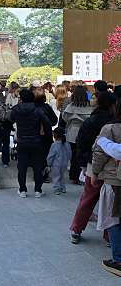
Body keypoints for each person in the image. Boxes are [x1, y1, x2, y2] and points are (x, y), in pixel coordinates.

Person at [69, 92, 117, 244]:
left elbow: (81, 144)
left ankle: (76, 229)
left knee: (87, 200)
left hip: (92, 166)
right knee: (111, 204)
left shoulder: (91, 121)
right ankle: (109, 236)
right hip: (112, 169)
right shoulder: (114, 123)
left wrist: (83, 164)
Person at [92, 101, 121, 277]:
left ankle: (118, 259)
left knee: (113, 219)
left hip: (114, 180)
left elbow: (99, 153)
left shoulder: (109, 129)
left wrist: (95, 173)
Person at [10, 88, 51, 198]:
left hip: (22, 141)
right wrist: (45, 134)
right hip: (36, 141)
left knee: (22, 166)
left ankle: (22, 189)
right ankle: (38, 190)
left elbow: (9, 119)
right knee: (37, 166)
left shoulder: (16, 109)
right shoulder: (37, 110)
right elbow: (47, 122)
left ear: (21, 99)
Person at [62, 85, 93, 184]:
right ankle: (85, 175)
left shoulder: (70, 106)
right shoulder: (90, 106)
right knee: (85, 154)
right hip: (86, 132)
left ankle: (74, 176)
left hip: (72, 132)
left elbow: (65, 118)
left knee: (74, 156)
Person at [34, 88, 58, 182]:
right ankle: (45, 175)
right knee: (46, 155)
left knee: (35, 155)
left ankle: (37, 174)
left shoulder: (32, 107)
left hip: (34, 134)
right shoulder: (47, 107)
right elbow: (54, 120)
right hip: (46, 135)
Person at [47, 127, 72, 195]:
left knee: (56, 176)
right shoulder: (67, 144)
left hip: (56, 164)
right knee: (61, 176)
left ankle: (57, 189)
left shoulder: (54, 145)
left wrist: (48, 163)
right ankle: (63, 187)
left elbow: (51, 156)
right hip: (64, 163)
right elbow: (70, 154)